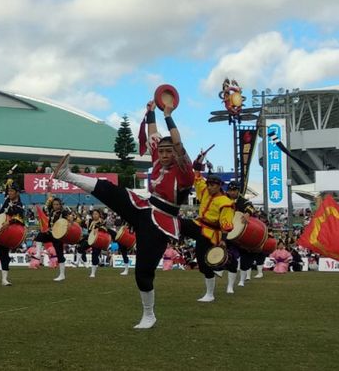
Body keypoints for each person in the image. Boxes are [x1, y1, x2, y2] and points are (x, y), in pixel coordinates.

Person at [52, 99, 194, 329]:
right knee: (110, 190)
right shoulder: (158, 161)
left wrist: (168, 114)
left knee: (144, 271)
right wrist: (150, 114)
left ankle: (149, 314)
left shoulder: (185, 173)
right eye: (163, 151)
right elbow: (154, 135)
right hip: (145, 207)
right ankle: (66, 175)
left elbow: (177, 142)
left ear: (177, 153)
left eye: (170, 151)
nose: (165, 154)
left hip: (163, 221)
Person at [179, 171, 235, 301]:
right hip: (198, 224)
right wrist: (197, 165)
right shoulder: (205, 191)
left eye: (213, 185)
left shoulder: (226, 202)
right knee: (178, 223)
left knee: (203, 263)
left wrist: (223, 240)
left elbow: (226, 224)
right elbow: (197, 178)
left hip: (210, 233)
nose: (209, 187)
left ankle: (210, 294)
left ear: (220, 185)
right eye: (209, 184)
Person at [226, 181, 257, 287]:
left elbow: (250, 207)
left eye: (233, 190)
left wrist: (248, 213)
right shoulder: (224, 200)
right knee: (229, 256)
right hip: (228, 232)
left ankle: (242, 280)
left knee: (244, 258)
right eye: (230, 190)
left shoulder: (243, 202)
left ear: (238, 191)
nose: (231, 192)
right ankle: (222, 273)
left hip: (242, 234)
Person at [33, 195, 70, 282]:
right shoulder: (52, 211)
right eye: (54, 204)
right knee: (39, 236)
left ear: (60, 205)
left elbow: (68, 219)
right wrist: (49, 199)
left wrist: (70, 218)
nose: (56, 206)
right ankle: (38, 254)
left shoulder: (63, 213)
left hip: (58, 235)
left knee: (60, 254)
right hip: (50, 233)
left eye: (57, 204)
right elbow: (45, 208)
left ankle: (62, 274)